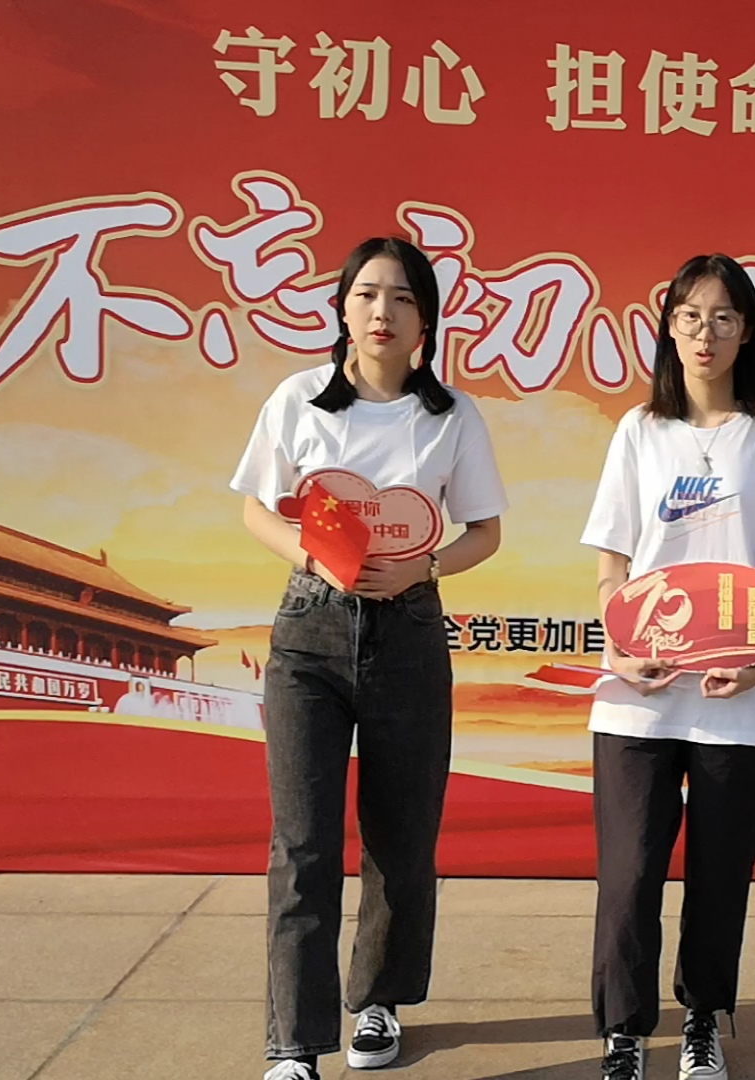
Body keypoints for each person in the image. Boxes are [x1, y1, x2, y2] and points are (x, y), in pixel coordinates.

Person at [232, 236, 507, 1080]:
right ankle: (294, 1042)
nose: (382, 312)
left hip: (410, 633)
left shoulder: (451, 416)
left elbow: (485, 531)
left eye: (402, 298)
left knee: (401, 838)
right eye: (366, 295)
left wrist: (425, 567)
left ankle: (378, 1002)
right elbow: (255, 509)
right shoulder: (300, 400)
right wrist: (312, 558)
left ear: (426, 321)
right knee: (303, 844)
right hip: (309, 632)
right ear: (343, 309)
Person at [581, 253, 755, 1080]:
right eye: (689, 317)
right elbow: (612, 565)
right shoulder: (639, 430)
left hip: (739, 694)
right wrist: (621, 646)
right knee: (629, 875)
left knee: (720, 876)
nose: (704, 333)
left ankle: (702, 1022)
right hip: (639, 693)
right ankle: (623, 1032)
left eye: (722, 317)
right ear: (669, 329)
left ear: (747, 331)